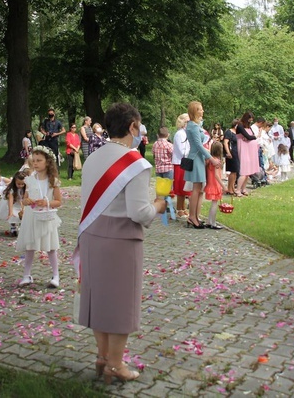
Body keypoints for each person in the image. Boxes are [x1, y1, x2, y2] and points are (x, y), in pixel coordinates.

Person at [77, 102, 167, 384]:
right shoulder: (136, 163)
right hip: (121, 240)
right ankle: (116, 364)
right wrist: (159, 205)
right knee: (120, 303)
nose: (140, 132)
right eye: (139, 126)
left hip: (92, 234)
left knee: (98, 299)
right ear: (132, 126)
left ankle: (102, 356)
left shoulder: (93, 156)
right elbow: (138, 212)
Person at [16, 145, 63, 288]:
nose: (35, 163)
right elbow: (24, 199)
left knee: (51, 247)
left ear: (47, 162)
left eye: (39, 160)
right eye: (34, 160)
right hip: (32, 216)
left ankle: (56, 275)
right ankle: (26, 275)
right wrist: (26, 201)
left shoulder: (52, 181)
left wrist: (47, 202)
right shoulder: (30, 179)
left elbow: (59, 201)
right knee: (30, 246)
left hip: (46, 216)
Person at [184, 101, 216, 229]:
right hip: (196, 158)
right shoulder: (193, 126)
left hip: (198, 157)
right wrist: (211, 158)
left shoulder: (194, 125)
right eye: (200, 110)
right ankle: (192, 217)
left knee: (197, 189)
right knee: (196, 190)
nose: (202, 111)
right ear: (194, 111)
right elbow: (198, 145)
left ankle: (194, 216)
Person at [171, 113, 191, 218]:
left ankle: (183, 208)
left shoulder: (185, 133)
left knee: (184, 187)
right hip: (180, 162)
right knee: (180, 187)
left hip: (185, 162)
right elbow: (182, 150)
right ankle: (179, 209)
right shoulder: (179, 134)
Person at [0, 170, 27, 237]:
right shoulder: (12, 190)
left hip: (21, 203)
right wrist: (10, 213)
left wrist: (23, 208)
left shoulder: (26, 189)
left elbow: (24, 199)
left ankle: (22, 227)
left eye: (22, 184)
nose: (21, 186)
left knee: (23, 215)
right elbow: (10, 201)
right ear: (14, 182)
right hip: (12, 204)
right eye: (18, 184)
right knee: (13, 214)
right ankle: (13, 226)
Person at [203, 141, 226, 229]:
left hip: (210, 183)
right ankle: (213, 223)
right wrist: (223, 186)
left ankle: (209, 221)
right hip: (215, 185)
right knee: (214, 204)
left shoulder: (209, 160)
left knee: (213, 203)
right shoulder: (217, 161)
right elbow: (216, 175)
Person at [235, 112, 258, 197]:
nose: (251, 121)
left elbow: (251, 135)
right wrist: (253, 137)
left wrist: (252, 137)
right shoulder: (240, 126)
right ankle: (238, 190)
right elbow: (249, 136)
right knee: (244, 170)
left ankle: (243, 189)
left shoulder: (248, 126)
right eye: (249, 119)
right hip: (243, 147)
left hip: (249, 149)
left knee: (248, 171)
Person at [223, 119, 239, 195]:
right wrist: (228, 152)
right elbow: (225, 142)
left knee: (235, 171)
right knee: (233, 171)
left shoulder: (237, 133)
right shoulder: (229, 132)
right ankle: (230, 189)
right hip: (232, 153)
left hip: (237, 153)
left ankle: (232, 187)